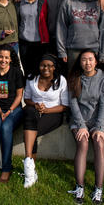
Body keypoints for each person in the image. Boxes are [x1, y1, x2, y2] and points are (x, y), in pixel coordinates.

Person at [66, 50, 104, 204]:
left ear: (96, 62)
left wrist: (99, 127)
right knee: (83, 143)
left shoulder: (103, 78)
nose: (87, 63)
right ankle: (80, 187)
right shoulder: (74, 78)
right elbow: (73, 103)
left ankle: (98, 189)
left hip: (97, 121)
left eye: (90, 59)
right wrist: (82, 125)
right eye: (84, 60)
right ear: (80, 62)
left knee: (99, 143)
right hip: (79, 121)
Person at [22, 54, 69, 188]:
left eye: (49, 65)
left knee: (31, 131)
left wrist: (47, 110)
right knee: (30, 112)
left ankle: (28, 163)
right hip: (35, 111)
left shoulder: (61, 80)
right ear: (39, 66)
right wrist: (36, 105)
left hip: (54, 113)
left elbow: (65, 105)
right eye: (43, 65)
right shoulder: (32, 79)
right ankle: (30, 168)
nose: (46, 68)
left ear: (54, 67)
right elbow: (27, 100)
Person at [56, 0, 104, 72]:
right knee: (73, 81)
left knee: (93, 82)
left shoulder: (100, 2)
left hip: (94, 50)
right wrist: (62, 51)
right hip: (73, 50)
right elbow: (61, 28)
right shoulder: (68, 2)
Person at [0, 45, 24, 183]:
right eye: (1, 57)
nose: (3, 60)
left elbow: (19, 96)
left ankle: (6, 168)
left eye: (6, 57)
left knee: (6, 128)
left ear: (11, 59)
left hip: (14, 110)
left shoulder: (17, 73)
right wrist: (0, 111)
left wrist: (9, 111)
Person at [15, 0, 50, 75]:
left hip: (40, 42)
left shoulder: (44, 2)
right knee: (27, 70)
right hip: (24, 42)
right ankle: (27, 90)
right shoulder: (18, 3)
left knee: (40, 70)